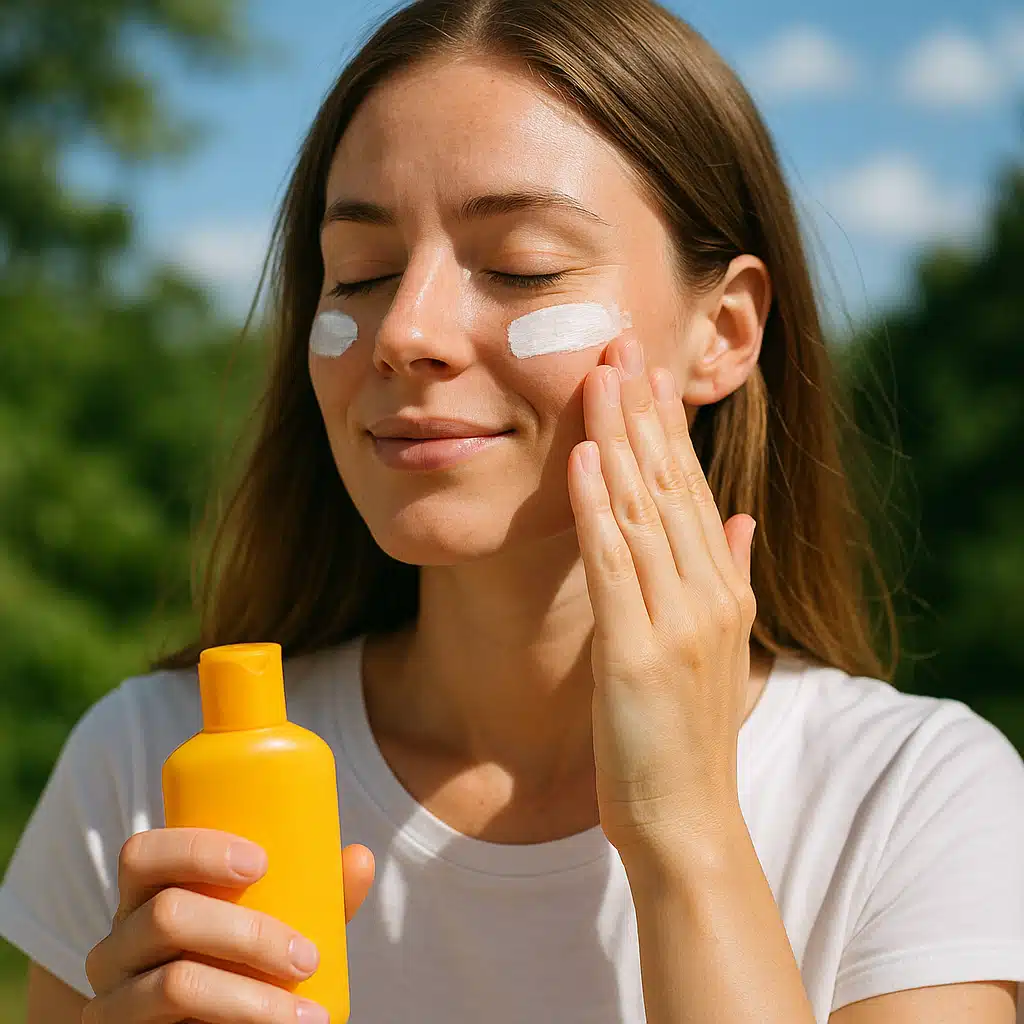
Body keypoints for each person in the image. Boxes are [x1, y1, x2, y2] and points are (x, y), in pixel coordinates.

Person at [3, 0, 1023, 1021]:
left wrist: (685, 830)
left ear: (722, 331)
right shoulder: (149, 767)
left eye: (519, 267)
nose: (404, 331)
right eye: (359, 272)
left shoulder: (913, 800)